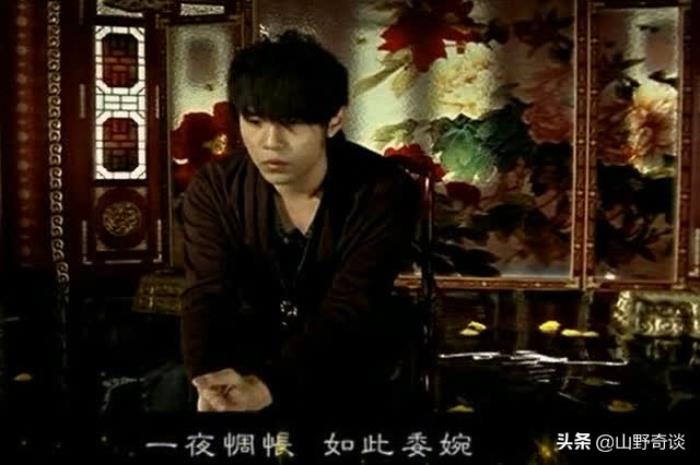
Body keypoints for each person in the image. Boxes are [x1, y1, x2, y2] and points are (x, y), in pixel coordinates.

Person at [180, 30, 420, 422]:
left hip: (351, 370)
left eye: (291, 123)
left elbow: (351, 308)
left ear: (334, 119)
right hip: (242, 364)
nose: (270, 142)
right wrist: (209, 382)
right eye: (254, 121)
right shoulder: (215, 189)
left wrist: (268, 386)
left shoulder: (382, 190)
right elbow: (206, 295)